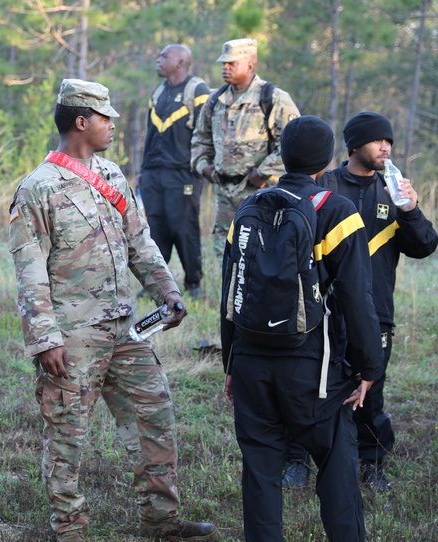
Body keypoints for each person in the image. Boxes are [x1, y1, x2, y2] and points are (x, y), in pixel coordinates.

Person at [9, 79, 217, 542]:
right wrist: (45, 338)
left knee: (155, 414)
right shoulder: (37, 188)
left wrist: (167, 289)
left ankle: (161, 517)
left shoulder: (113, 175)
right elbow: (29, 270)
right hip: (72, 337)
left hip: (125, 330)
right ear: (81, 121)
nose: (110, 127)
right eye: (104, 119)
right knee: (67, 432)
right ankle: (69, 528)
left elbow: (140, 241)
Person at [221, 115, 409, 542]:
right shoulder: (337, 209)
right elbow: (356, 300)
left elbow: (229, 296)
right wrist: (370, 368)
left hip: (253, 360)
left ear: (282, 154)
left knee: (260, 465)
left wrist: (231, 362)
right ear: (328, 160)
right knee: (338, 464)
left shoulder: (248, 209)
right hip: (313, 368)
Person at [283, 112, 438, 489]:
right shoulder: (326, 183)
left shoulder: (393, 188)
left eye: (389, 142)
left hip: (375, 311)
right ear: (354, 145)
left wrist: (411, 209)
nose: (385, 147)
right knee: (308, 386)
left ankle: (371, 462)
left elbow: (425, 245)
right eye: (376, 141)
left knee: (371, 391)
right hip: (321, 309)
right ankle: (297, 459)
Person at [191, 38, 299, 261]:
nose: (225, 67)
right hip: (224, 193)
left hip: (261, 192)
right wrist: (204, 167)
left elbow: (292, 144)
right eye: (223, 63)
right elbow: (200, 139)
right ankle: (229, 296)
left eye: (232, 63)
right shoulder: (215, 101)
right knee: (225, 253)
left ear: (250, 64)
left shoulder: (273, 99)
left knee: (262, 250)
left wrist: (263, 173)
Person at [137, 44, 209, 299]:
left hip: (184, 174)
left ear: (180, 62)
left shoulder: (197, 90)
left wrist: (203, 166)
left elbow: (208, 134)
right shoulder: (157, 93)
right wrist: (143, 170)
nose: (158, 60)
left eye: (164, 56)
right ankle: (157, 284)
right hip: (154, 174)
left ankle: (193, 285)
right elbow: (151, 135)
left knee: (184, 227)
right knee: (156, 229)